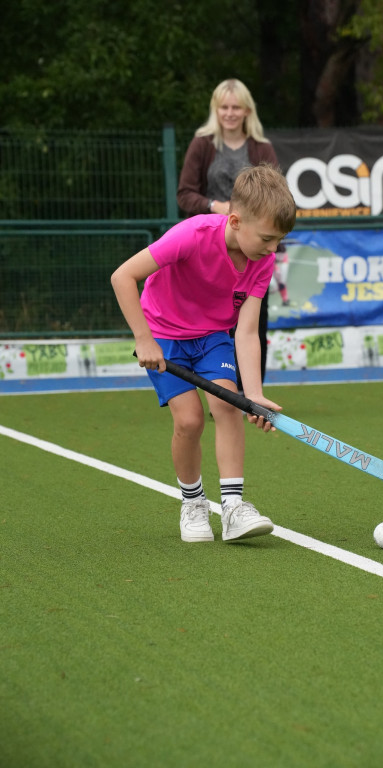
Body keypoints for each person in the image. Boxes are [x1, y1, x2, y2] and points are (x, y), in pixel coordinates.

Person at [111, 164, 296, 544]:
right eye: (267, 238)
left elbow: (246, 331)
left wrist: (255, 393)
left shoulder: (262, 259)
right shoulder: (192, 235)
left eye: (278, 240)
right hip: (164, 334)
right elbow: (123, 276)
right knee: (191, 421)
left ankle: (233, 508)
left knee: (226, 405)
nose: (273, 248)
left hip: (213, 335)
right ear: (235, 220)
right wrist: (145, 340)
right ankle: (193, 503)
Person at [177, 78, 281, 388]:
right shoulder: (202, 144)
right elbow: (185, 194)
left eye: (236, 107)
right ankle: (216, 386)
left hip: (252, 245)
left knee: (252, 320)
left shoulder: (261, 147)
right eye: (224, 107)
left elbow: (277, 194)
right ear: (216, 109)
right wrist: (215, 206)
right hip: (212, 243)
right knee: (213, 319)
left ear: (247, 110)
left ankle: (251, 392)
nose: (230, 113)